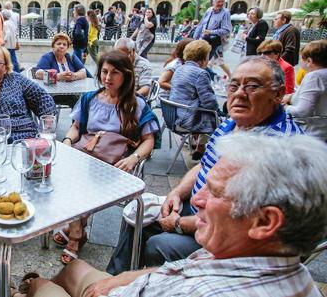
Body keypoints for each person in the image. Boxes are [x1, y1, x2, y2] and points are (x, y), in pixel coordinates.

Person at [17, 133, 325, 297]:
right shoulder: (252, 258)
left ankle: (32, 288)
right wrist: (123, 279)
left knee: (39, 289)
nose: (199, 199)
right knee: (76, 268)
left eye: (215, 193)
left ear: (265, 222)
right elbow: (185, 268)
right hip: (137, 286)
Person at [105, 56, 304, 275]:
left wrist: (179, 223)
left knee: (159, 244)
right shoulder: (236, 123)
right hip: (202, 206)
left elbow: (239, 220)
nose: (239, 94)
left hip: (234, 238)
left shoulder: (276, 148)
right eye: (234, 85)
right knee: (136, 212)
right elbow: (205, 164)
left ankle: (156, 283)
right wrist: (177, 192)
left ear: (278, 94)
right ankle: (117, 279)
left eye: (252, 86)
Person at [56, 50, 160, 264]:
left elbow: (149, 139)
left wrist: (134, 159)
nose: (107, 78)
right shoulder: (90, 98)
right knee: (61, 175)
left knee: (79, 183)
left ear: (126, 76)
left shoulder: (136, 104)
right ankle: (77, 228)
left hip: (114, 163)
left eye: (115, 73)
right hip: (86, 154)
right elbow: (76, 127)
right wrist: (67, 141)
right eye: (104, 72)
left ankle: (75, 234)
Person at [0, 46, 55, 147]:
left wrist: (46, 126)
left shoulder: (16, 80)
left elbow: (43, 98)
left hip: (26, 142)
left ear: (5, 68)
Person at [169, 40, 219, 160]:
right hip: (187, 119)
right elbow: (209, 102)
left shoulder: (180, 69)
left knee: (206, 112)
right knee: (217, 117)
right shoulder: (201, 73)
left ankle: (200, 147)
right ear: (203, 58)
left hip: (173, 115)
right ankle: (214, 155)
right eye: (208, 56)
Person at [283, 39, 327, 141]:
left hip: (312, 133)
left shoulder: (314, 76)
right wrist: (291, 96)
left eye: (301, 58)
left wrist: (285, 107)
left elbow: (302, 111)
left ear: (309, 61)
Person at [192, 0, 232, 78]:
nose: (221, 4)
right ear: (213, 2)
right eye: (219, 1)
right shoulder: (209, 10)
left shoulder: (225, 13)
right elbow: (201, 25)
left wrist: (211, 32)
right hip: (202, 40)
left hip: (213, 42)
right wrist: (194, 39)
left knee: (203, 62)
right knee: (202, 62)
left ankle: (211, 77)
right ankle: (214, 77)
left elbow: (226, 30)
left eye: (222, 2)